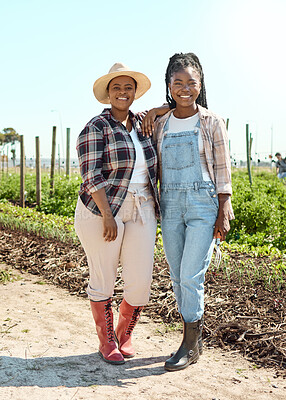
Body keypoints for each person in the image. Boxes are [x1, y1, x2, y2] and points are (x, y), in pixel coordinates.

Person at [144, 52, 234, 371]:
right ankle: (193, 339)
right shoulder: (160, 123)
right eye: (177, 82)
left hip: (203, 202)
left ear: (200, 84)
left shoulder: (211, 122)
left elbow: (222, 169)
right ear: (169, 85)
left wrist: (225, 208)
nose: (185, 88)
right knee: (176, 275)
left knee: (190, 274)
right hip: (169, 204)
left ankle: (190, 344)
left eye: (191, 82)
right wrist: (158, 109)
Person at [75, 63, 168, 365]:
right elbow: (91, 176)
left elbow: (177, 103)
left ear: (135, 93)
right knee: (103, 276)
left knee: (140, 282)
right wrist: (106, 215)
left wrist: (156, 110)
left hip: (142, 207)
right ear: (107, 94)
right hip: (102, 209)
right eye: (117, 88)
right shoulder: (96, 127)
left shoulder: (142, 123)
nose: (123, 93)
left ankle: (124, 334)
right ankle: (107, 342)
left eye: (129, 87)